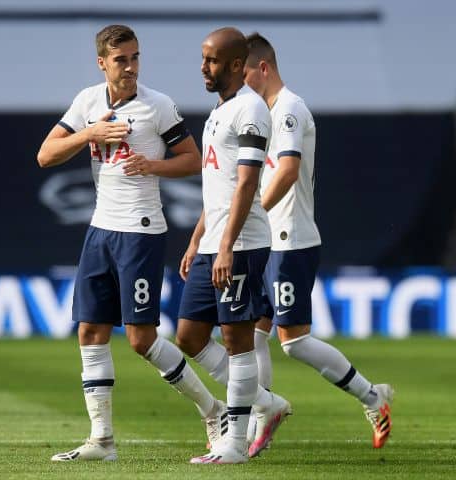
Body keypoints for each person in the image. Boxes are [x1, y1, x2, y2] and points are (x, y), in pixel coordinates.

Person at [37, 24, 226, 462]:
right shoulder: (87, 102)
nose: (130, 67)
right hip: (100, 229)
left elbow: (194, 161)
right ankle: (101, 440)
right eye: (121, 60)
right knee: (90, 330)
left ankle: (213, 410)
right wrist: (89, 135)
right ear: (102, 63)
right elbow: (45, 155)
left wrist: (152, 166)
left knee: (141, 339)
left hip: (140, 231)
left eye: (135, 57)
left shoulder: (156, 106)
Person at [242, 32, 394, 450]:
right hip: (267, 236)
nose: (241, 83)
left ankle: (372, 395)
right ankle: (263, 415)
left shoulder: (290, 108)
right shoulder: (262, 110)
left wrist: (254, 211)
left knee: (294, 342)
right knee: (252, 330)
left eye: (245, 73)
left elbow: (288, 171)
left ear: (264, 68)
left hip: (290, 236)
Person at [175, 27, 291, 465]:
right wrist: (197, 239)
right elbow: (218, 186)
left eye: (212, 60)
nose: (204, 67)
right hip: (213, 242)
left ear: (238, 65)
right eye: (203, 58)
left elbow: (246, 184)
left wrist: (225, 247)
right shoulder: (218, 110)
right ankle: (265, 403)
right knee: (188, 335)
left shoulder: (251, 110)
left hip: (240, 243)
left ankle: (236, 444)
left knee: (236, 339)